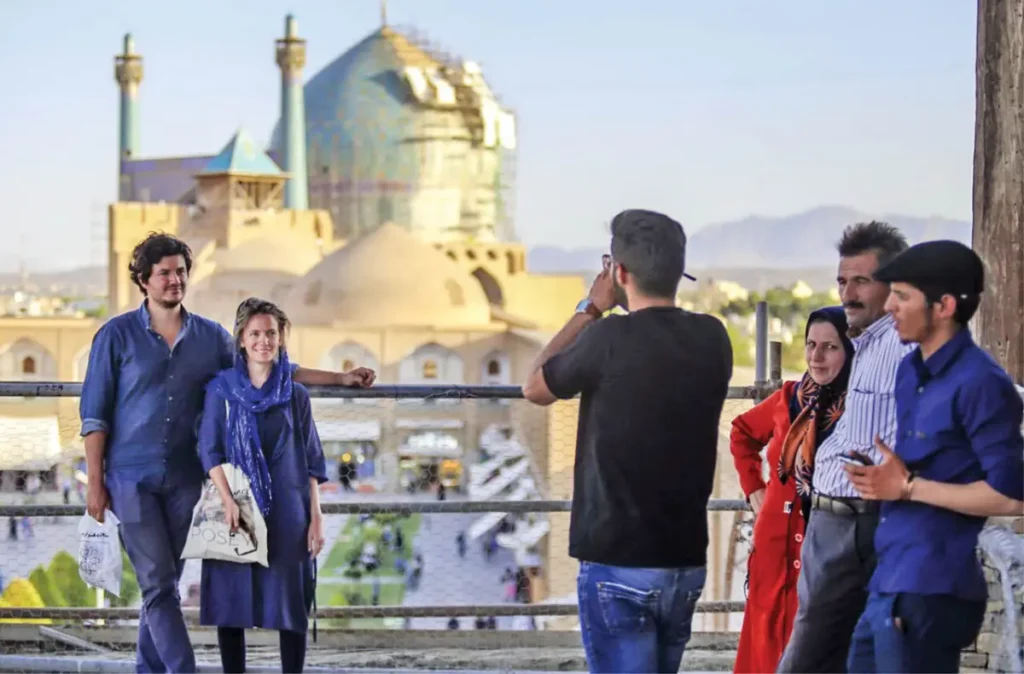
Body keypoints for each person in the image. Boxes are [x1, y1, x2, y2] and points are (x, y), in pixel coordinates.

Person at [78, 233, 375, 674]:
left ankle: (148, 668)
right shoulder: (116, 337)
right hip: (131, 476)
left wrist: (341, 378)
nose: (175, 280)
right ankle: (184, 670)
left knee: (163, 586)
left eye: (180, 271)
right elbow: (94, 415)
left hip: (183, 478)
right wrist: (96, 484)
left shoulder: (210, 337)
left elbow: (267, 365)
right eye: (164, 273)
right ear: (143, 280)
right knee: (158, 586)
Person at [522, 209, 732, 673]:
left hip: (618, 561)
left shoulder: (609, 336)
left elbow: (535, 385)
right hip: (683, 561)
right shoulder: (714, 336)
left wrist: (590, 308)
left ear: (617, 272)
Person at [844, 241, 1024, 673]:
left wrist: (907, 488)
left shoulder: (981, 383)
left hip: (932, 586)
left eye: (902, 296)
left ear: (944, 306)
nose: (889, 307)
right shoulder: (911, 372)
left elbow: (1012, 498)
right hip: (890, 576)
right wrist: (885, 479)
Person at [777, 221, 911, 673]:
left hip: (857, 526)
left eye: (861, 281)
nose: (847, 293)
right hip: (835, 526)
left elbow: (983, 391)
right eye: (841, 281)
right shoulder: (868, 344)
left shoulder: (904, 345)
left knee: (806, 662)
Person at [197, 298, 327, 673]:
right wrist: (228, 500)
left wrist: (315, 516)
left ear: (281, 338)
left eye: (271, 333)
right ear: (241, 339)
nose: (263, 341)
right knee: (230, 602)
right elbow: (210, 450)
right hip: (236, 506)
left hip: (288, 511)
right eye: (255, 333)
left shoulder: (295, 395)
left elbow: (312, 460)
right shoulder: (221, 391)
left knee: (290, 603)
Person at [729, 306, 854, 674]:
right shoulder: (790, 399)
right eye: (811, 344)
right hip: (773, 551)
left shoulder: (862, 410)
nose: (816, 356)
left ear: (850, 350)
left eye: (830, 347)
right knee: (766, 651)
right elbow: (742, 433)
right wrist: (755, 489)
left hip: (824, 552)